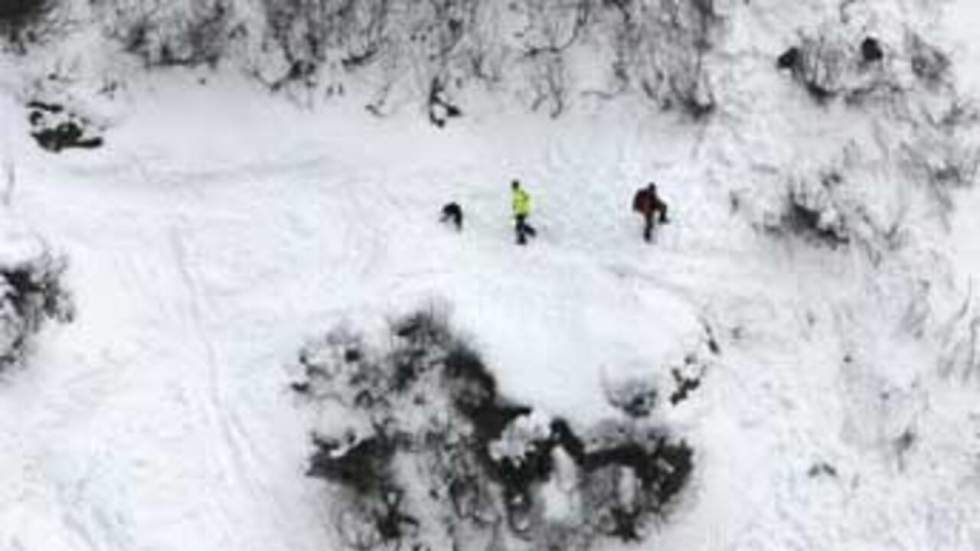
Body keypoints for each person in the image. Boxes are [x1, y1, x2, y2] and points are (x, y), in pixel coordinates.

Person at [511, 180, 536, 245]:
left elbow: (527, 198)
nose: (513, 187)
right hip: (520, 211)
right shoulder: (516, 192)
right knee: (519, 225)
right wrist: (514, 205)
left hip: (522, 211)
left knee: (519, 225)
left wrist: (524, 208)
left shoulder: (520, 192)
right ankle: (531, 231)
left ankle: (522, 240)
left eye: (514, 185)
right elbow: (516, 200)